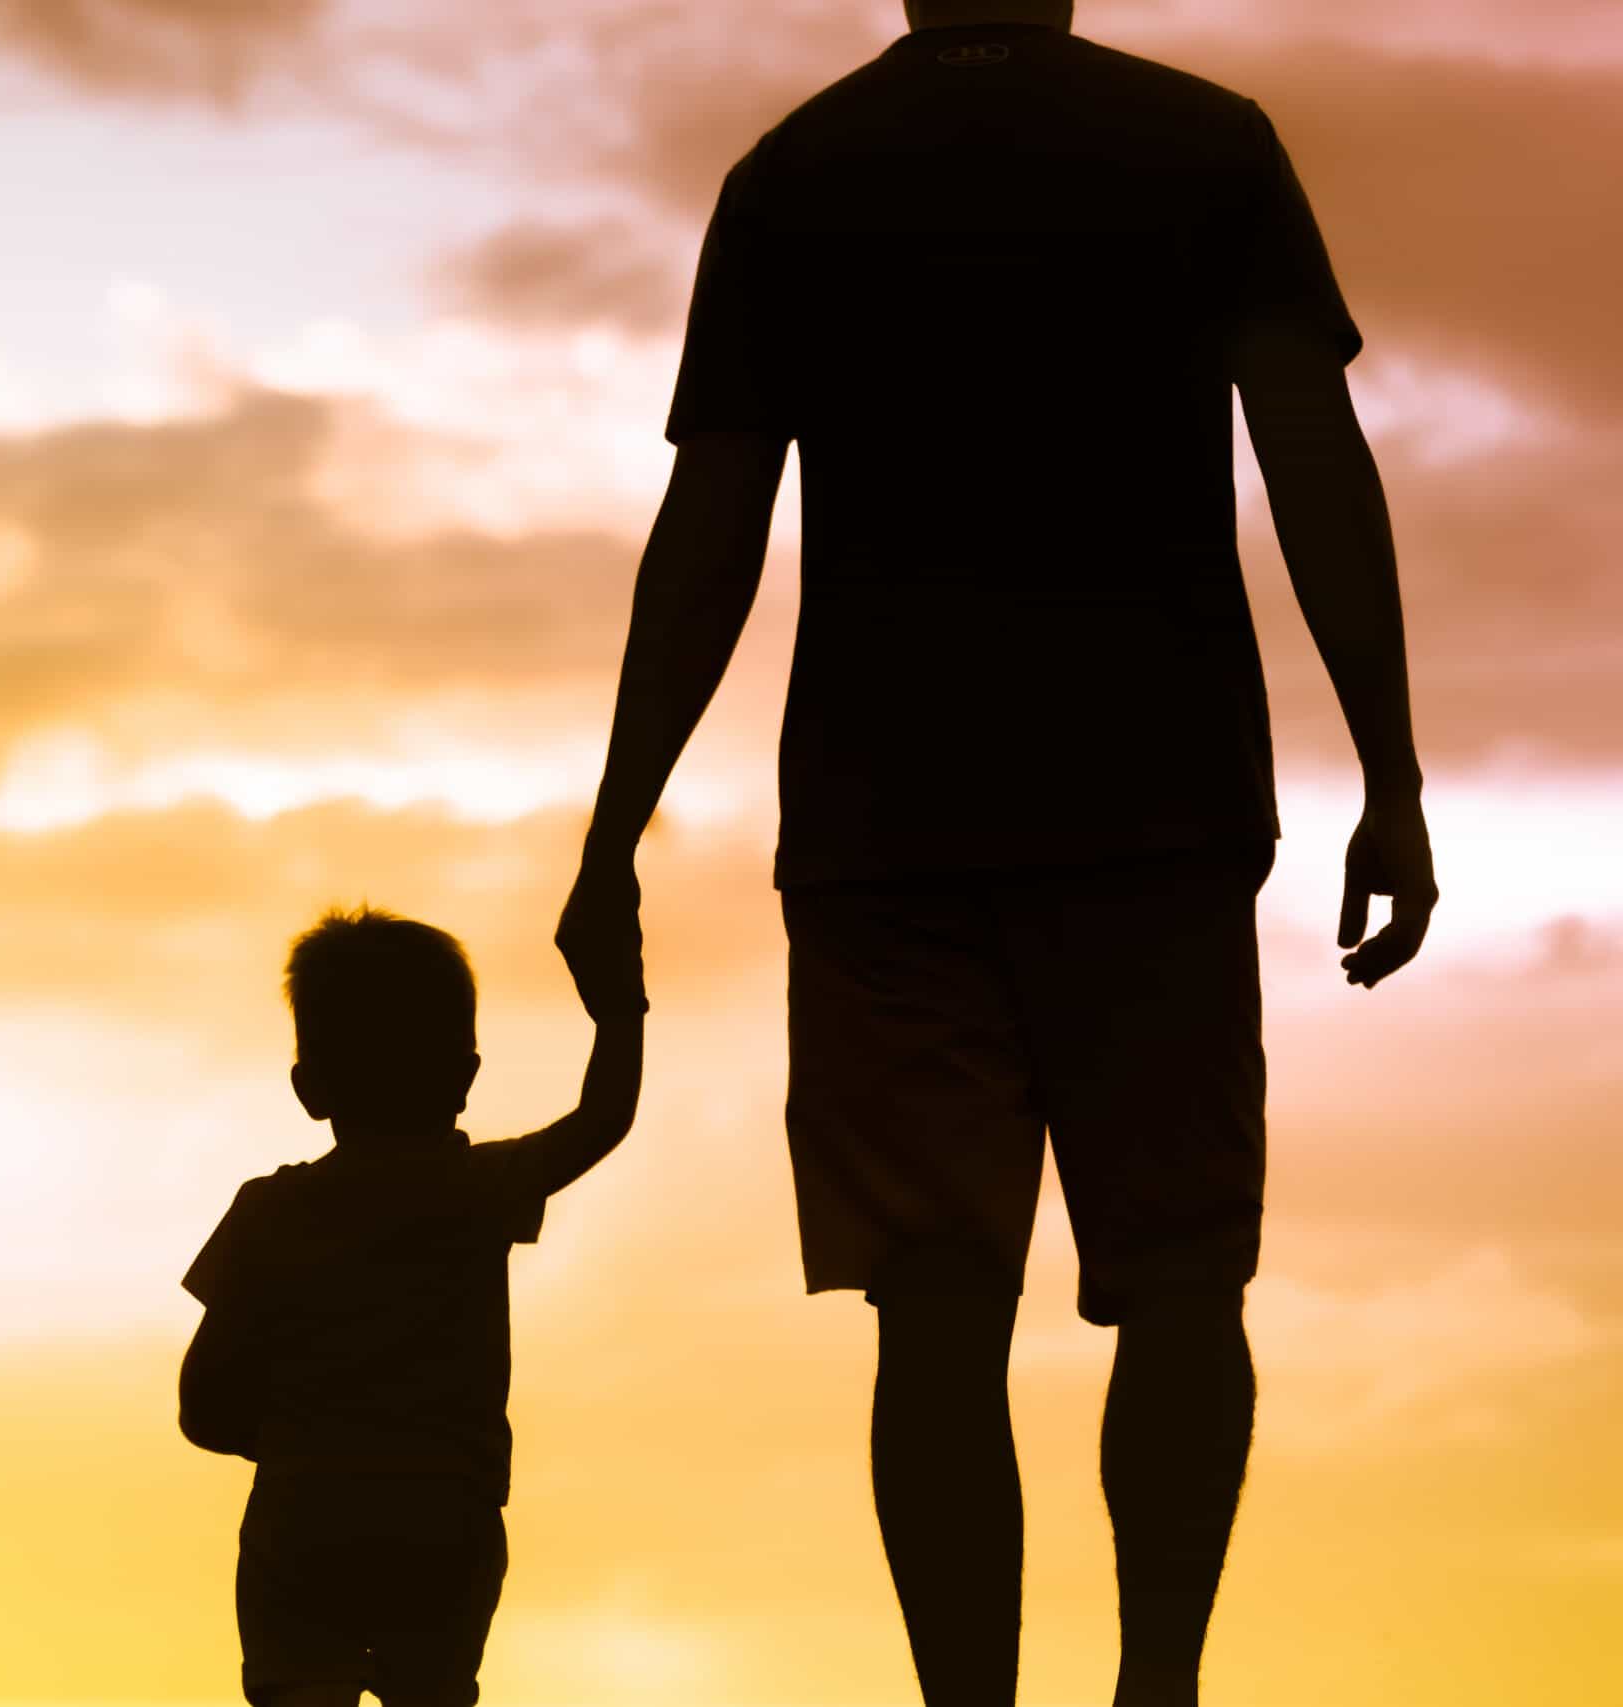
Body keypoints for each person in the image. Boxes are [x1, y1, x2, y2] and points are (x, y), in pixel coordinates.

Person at [555, 3, 1437, 1705]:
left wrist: (617, 827)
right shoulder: (1205, 144)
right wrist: (1390, 769)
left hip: (888, 829)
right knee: (1180, 1278)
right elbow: (1313, 454)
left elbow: (714, 519)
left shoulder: (795, 173)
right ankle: (1158, 1689)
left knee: (934, 1307)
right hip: (1159, 802)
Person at [179, 904, 645, 1706]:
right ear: (464, 1075)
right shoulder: (480, 1189)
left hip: (305, 1507)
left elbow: (202, 1403)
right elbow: (603, 1119)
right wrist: (621, 1005)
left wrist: (302, 1442)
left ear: (309, 1087)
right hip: (443, 1510)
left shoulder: (270, 1211)